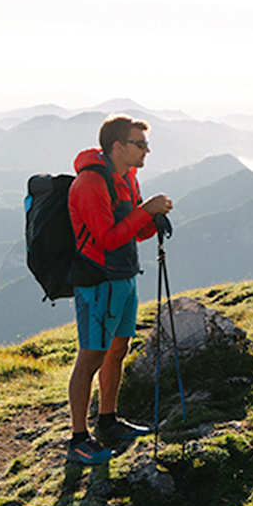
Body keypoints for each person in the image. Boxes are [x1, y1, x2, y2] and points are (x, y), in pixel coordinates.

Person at [64, 114, 173, 464]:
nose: (147, 150)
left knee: (118, 349)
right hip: (97, 282)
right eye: (139, 144)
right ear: (117, 146)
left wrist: (152, 219)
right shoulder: (90, 184)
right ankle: (78, 438)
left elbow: (133, 232)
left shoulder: (128, 177)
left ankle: (108, 421)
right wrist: (145, 211)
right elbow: (106, 238)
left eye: (146, 143)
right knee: (91, 357)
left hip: (124, 276)